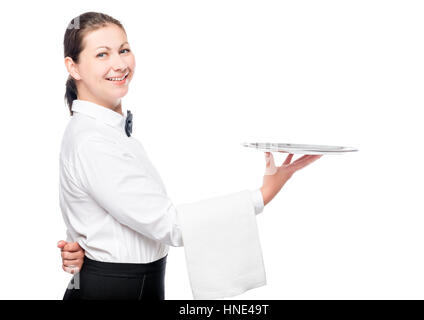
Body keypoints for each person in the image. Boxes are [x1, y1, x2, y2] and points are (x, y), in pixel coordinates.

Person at [58, 11, 322, 300]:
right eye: (102, 55)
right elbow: (171, 226)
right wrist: (263, 194)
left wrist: (79, 243)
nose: (119, 64)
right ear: (74, 67)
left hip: (125, 285)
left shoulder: (99, 130)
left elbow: (88, 205)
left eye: (123, 50)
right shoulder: (93, 140)